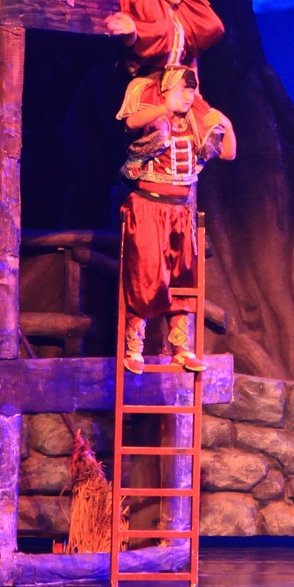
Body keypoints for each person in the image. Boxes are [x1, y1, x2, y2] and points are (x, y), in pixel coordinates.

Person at [115, 65, 234, 375]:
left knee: (182, 276)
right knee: (146, 275)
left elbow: (228, 154)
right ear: (168, 90)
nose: (188, 96)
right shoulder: (156, 120)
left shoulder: (195, 123)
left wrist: (227, 123)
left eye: (192, 90)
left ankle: (180, 349)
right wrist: (164, 106)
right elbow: (130, 123)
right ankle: (134, 348)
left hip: (180, 211)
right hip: (148, 208)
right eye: (183, 89)